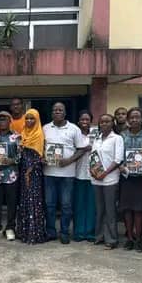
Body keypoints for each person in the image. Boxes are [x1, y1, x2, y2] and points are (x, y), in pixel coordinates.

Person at [42, 102, 87, 244]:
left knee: (66, 205)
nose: (57, 112)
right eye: (55, 110)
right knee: (49, 204)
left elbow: (81, 149)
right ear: (51, 113)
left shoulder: (74, 129)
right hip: (49, 173)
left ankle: (64, 232)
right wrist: (42, 158)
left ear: (65, 112)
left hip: (67, 174)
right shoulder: (45, 128)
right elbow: (41, 147)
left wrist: (69, 160)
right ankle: (50, 232)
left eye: (60, 110)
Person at [119, 107, 142, 252]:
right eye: (132, 117)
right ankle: (129, 238)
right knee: (127, 209)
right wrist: (120, 166)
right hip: (126, 177)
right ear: (128, 120)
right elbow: (118, 154)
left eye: (137, 117)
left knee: (139, 209)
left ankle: (139, 239)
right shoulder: (122, 135)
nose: (134, 119)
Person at [90, 114, 124, 249]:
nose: (104, 124)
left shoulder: (117, 138)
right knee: (99, 209)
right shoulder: (97, 138)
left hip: (110, 179)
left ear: (112, 123)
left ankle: (112, 239)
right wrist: (92, 171)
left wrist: (105, 173)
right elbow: (93, 157)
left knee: (110, 210)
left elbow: (118, 160)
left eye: (107, 121)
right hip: (96, 179)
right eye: (102, 122)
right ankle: (99, 236)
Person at [0, 111, 20, 241]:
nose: (2, 122)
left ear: (10, 121)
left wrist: (12, 160)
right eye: (0, 119)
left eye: (5, 119)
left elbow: (21, 155)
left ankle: (10, 228)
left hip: (11, 175)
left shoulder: (16, 137)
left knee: (12, 202)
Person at [17, 109, 46, 244]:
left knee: (34, 200)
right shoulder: (23, 133)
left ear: (37, 120)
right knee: (25, 199)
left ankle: (35, 233)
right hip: (23, 171)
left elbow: (39, 155)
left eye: (32, 118)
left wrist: (30, 168)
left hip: (34, 172)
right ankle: (24, 232)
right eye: (27, 118)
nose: (29, 121)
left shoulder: (39, 134)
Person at [73, 110, 96, 242]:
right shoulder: (75, 134)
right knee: (79, 205)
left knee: (92, 206)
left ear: (91, 121)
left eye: (87, 119)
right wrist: (83, 150)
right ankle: (79, 232)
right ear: (78, 121)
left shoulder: (97, 134)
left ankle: (90, 233)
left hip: (94, 175)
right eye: (82, 119)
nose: (85, 122)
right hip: (78, 174)